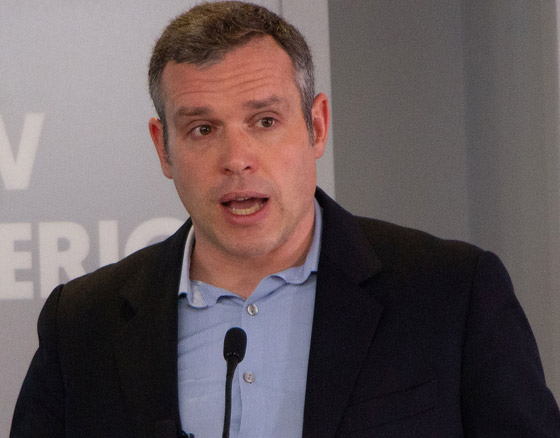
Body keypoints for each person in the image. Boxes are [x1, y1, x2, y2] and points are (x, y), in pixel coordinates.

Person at [11, 2, 560, 437]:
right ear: (164, 148)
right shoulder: (81, 325)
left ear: (316, 125)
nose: (236, 158)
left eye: (265, 121)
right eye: (203, 129)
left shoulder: (451, 294)